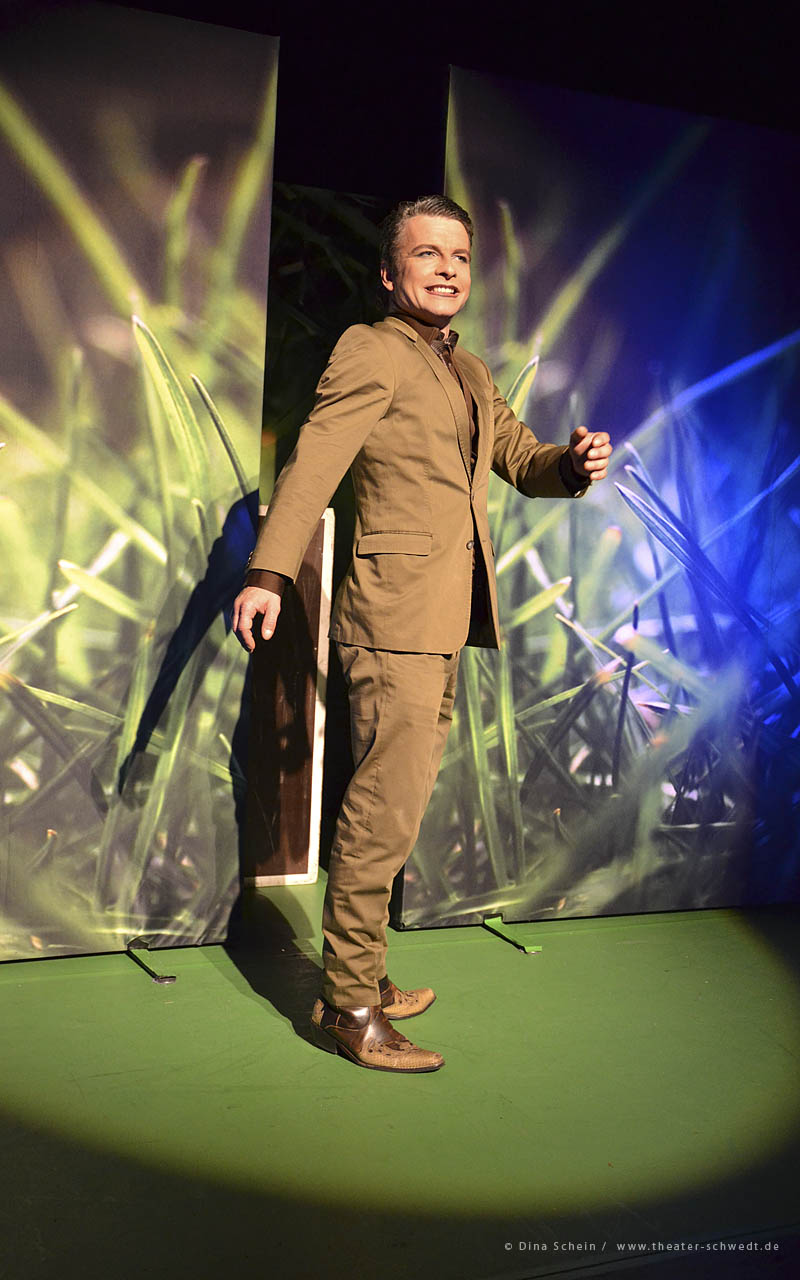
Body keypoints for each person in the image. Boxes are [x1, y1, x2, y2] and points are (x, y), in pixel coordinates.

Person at [232, 195, 612, 1074]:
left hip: (442, 617)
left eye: (460, 256)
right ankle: (351, 1006)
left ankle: (360, 973)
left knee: (395, 810)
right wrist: (268, 573)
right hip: (392, 615)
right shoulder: (370, 350)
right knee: (382, 810)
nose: (446, 268)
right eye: (427, 253)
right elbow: (314, 461)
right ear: (388, 271)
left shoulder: (467, 369)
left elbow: (520, 458)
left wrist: (571, 464)